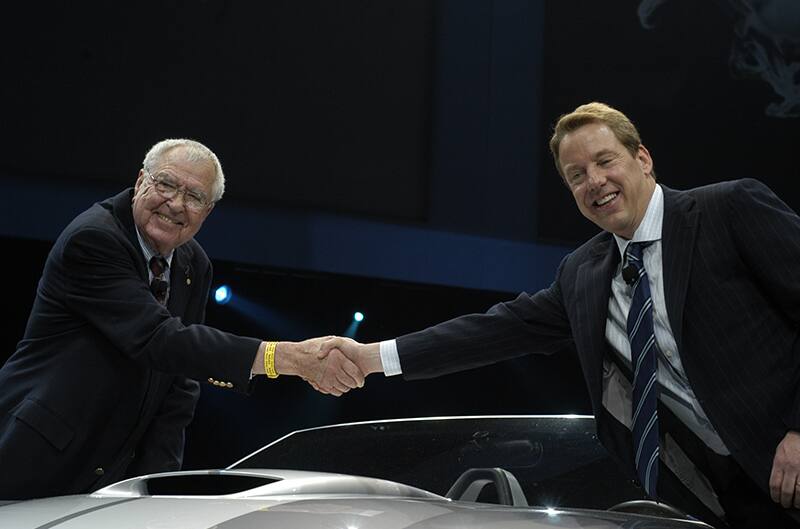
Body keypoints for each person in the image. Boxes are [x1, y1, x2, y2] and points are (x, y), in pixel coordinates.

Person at [318, 103, 800, 528]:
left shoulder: (728, 209)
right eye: (576, 175)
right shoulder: (583, 274)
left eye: (605, 161)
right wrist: (369, 358)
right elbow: (496, 330)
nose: (594, 181)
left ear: (643, 158)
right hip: (710, 503)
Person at [0, 139, 363, 500]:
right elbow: (160, 339)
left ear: (207, 212)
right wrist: (283, 358)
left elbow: (180, 385)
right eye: (166, 184)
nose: (175, 204)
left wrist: (158, 489)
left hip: (111, 473)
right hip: (34, 455)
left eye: (194, 197)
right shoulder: (94, 239)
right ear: (141, 180)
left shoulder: (193, 263)